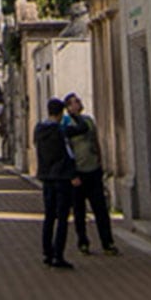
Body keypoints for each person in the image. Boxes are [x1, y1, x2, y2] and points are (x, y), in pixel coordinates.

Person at [61, 92, 117, 255]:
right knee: (79, 211)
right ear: (68, 107)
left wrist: (100, 162)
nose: (78, 104)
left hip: (93, 170)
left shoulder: (88, 121)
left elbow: (95, 141)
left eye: (78, 101)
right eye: (74, 102)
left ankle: (107, 243)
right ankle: (83, 241)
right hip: (78, 173)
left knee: (101, 209)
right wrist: (72, 175)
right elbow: (66, 151)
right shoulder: (67, 125)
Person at [33, 97, 80, 269]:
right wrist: (73, 174)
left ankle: (47, 252)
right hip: (61, 177)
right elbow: (67, 154)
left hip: (46, 177)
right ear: (61, 113)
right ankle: (58, 255)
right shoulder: (59, 132)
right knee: (62, 218)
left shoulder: (39, 130)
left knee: (49, 216)